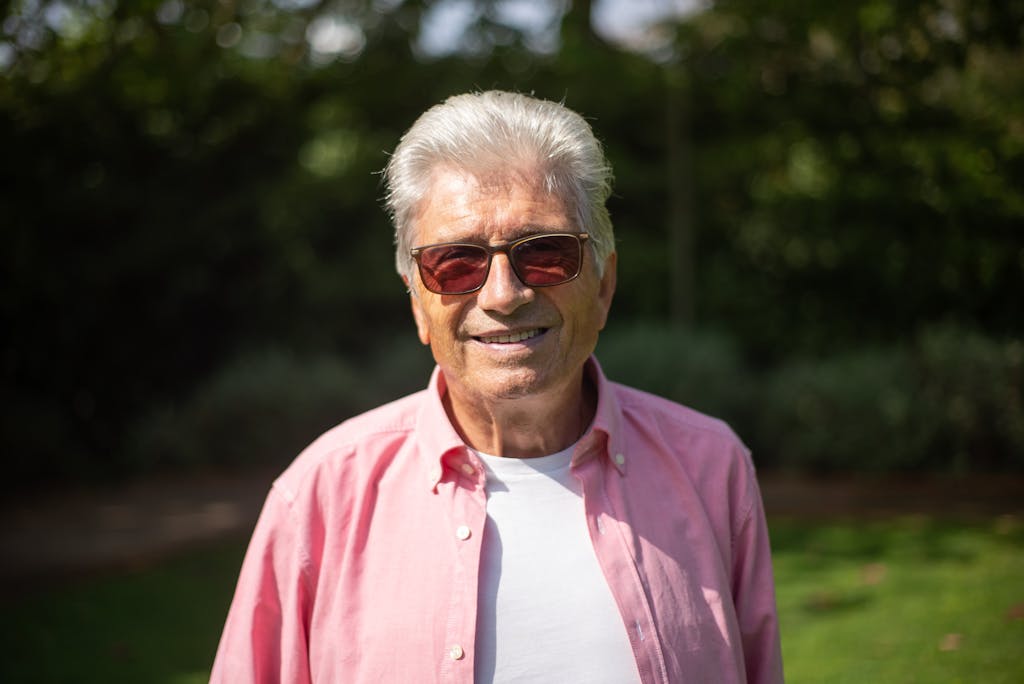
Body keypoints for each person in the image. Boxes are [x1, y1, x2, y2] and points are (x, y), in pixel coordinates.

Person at [211, 90, 783, 683]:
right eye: (455, 262)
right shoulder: (321, 493)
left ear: (605, 286)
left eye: (545, 254)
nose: (504, 294)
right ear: (418, 304)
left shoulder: (711, 467)